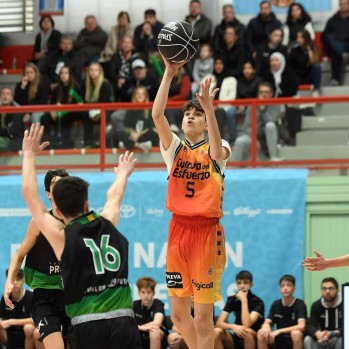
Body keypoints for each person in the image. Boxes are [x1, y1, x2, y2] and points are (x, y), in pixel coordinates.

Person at [21, 123, 142, 349]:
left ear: (57, 211)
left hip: (89, 325)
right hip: (125, 321)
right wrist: (122, 175)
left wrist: (29, 155)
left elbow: (29, 194)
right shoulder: (108, 222)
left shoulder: (63, 237)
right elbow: (114, 198)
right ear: (86, 203)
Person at [152, 55, 231, 349]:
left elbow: (217, 149)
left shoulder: (218, 147)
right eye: (187, 114)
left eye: (195, 115)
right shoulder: (174, 150)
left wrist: (209, 109)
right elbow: (157, 116)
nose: (189, 117)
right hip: (177, 231)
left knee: (202, 318)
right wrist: (170, 73)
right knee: (179, 314)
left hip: (206, 234)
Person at [4, 169, 70, 349]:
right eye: (56, 184)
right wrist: (9, 282)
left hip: (73, 294)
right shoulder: (39, 222)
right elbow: (19, 255)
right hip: (45, 296)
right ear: (48, 193)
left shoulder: (78, 221)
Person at [231, 82, 282, 162]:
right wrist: (254, 139)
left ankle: (273, 157)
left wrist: (262, 110)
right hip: (254, 137)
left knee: (270, 125)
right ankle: (234, 167)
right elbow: (246, 127)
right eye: (261, 92)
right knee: (239, 141)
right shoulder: (252, 106)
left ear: (271, 94)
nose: (263, 95)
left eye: (266, 92)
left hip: (269, 137)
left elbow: (271, 121)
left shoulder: (275, 105)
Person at [214, 270, 264, 349]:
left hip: (253, 337)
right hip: (237, 335)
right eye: (239, 283)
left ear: (251, 285)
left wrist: (244, 300)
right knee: (217, 331)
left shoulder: (258, 302)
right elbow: (219, 323)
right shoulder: (232, 299)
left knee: (246, 331)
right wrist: (233, 326)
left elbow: (247, 324)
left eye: (245, 283)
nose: (242, 286)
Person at [257, 274, 307, 349]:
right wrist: (266, 326)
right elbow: (267, 321)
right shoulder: (276, 304)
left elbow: (302, 326)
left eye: (288, 285)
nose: (285, 288)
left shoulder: (300, 304)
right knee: (261, 333)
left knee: (296, 333)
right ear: (280, 289)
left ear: (294, 288)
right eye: (282, 286)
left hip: (294, 338)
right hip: (279, 339)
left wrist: (279, 331)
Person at [40, 65, 84, 148]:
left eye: (66, 73)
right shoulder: (57, 89)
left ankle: (65, 143)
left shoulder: (76, 87)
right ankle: (47, 142)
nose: (63, 75)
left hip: (72, 112)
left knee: (64, 118)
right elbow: (52, 104)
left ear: (70, 75)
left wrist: (64, 108)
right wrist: (52, 111)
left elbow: (80, 103)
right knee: (44, 118)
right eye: (62, 73)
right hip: (58, 112)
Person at [0, 269, 37, 349]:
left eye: (18, 279)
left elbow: (36, 319)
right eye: (12, 280)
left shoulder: (31, 297)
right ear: (8, 282)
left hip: (25, 335)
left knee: (29, 328)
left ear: (23, 281)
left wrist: (12, 321)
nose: (15, 283)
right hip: (9, 334)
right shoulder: (5, 297)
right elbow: (2, 317)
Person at [113, 86, 158, 151]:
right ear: (134, 96)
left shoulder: (150, 110)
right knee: (118, 133)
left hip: (143, 136)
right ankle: (137, 145)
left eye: (142, 94)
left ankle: (128, 144)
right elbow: (128, 126)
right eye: (138, 94)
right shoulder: (131, 109)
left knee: (152, 133)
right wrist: (133, 133)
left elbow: (152, 128)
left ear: (146, 96)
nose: (140, 96)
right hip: (132, 137)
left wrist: (138, 134)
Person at [303, 277, 342, 349]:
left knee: (344, 339)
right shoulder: (316, 305)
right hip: (322, 339)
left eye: (330, 288)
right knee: (307, 340)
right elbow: (310, 326)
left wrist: (332, 333)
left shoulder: (345, 304)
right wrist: (317, 333)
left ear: (337, 290)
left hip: (338, 338)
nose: (327, 291)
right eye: (324, 289)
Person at [133, 276, 168, 349]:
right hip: (141, 336)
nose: (146, 296)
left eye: (149, 292)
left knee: (154, 332)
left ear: (153, 293)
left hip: (160, 336)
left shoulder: (157, 303)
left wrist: (139, 327)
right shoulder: (135, 305)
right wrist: (140, 329)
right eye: (143, 292)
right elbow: (129, 323)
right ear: (138, 293)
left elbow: (157, 323)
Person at [321, 0, 349, 86]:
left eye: (346, 4)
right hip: (335, 47)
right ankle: (343, 53)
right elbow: (324, 36)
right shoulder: (332, 20)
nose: (343, 6)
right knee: (330, 40)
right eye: (341, 4)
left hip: (348, 45)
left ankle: (335, 79)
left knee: (336, 51)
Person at [288, 29, 321, 96]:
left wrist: (309, 51)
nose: (298, 39)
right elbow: (291, 65)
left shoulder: (313, 48)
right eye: (297, 37)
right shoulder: (294, 50)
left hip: (308, 74)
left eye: (301, 37)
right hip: (297, 75)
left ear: (306, 38)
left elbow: (314, 62)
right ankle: (294, 91)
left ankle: (316, 90)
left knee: (317, 67)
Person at [0, 87, 25, 151]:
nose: (5, 96)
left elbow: (12, 132)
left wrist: (5, 131)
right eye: (3, 94)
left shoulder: (16, 111)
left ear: (11, 97)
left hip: (14, 140)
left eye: (8, 94)